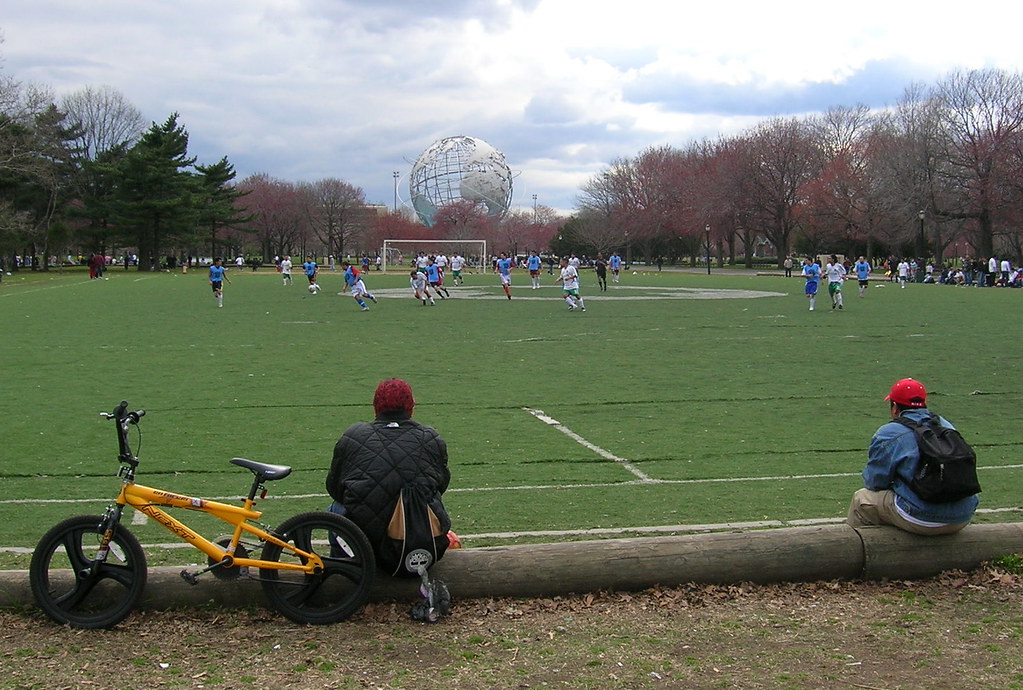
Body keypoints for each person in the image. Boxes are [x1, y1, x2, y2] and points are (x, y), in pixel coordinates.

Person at [325, 378, 452, 570]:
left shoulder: (353, 436)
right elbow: (441, 485)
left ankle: (341, 570)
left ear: (376, 406)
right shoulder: (431, 438)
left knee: (335, 509)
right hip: (418, 544)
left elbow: (334, 487)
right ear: (411, 407)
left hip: (364, 547)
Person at [847, 378, 978, 535]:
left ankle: (859, 553)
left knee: (861, 500)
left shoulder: (889, 433)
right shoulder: (945, 425)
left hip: (921, 518)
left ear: (894, 407)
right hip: (963, 515)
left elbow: (875, 482)